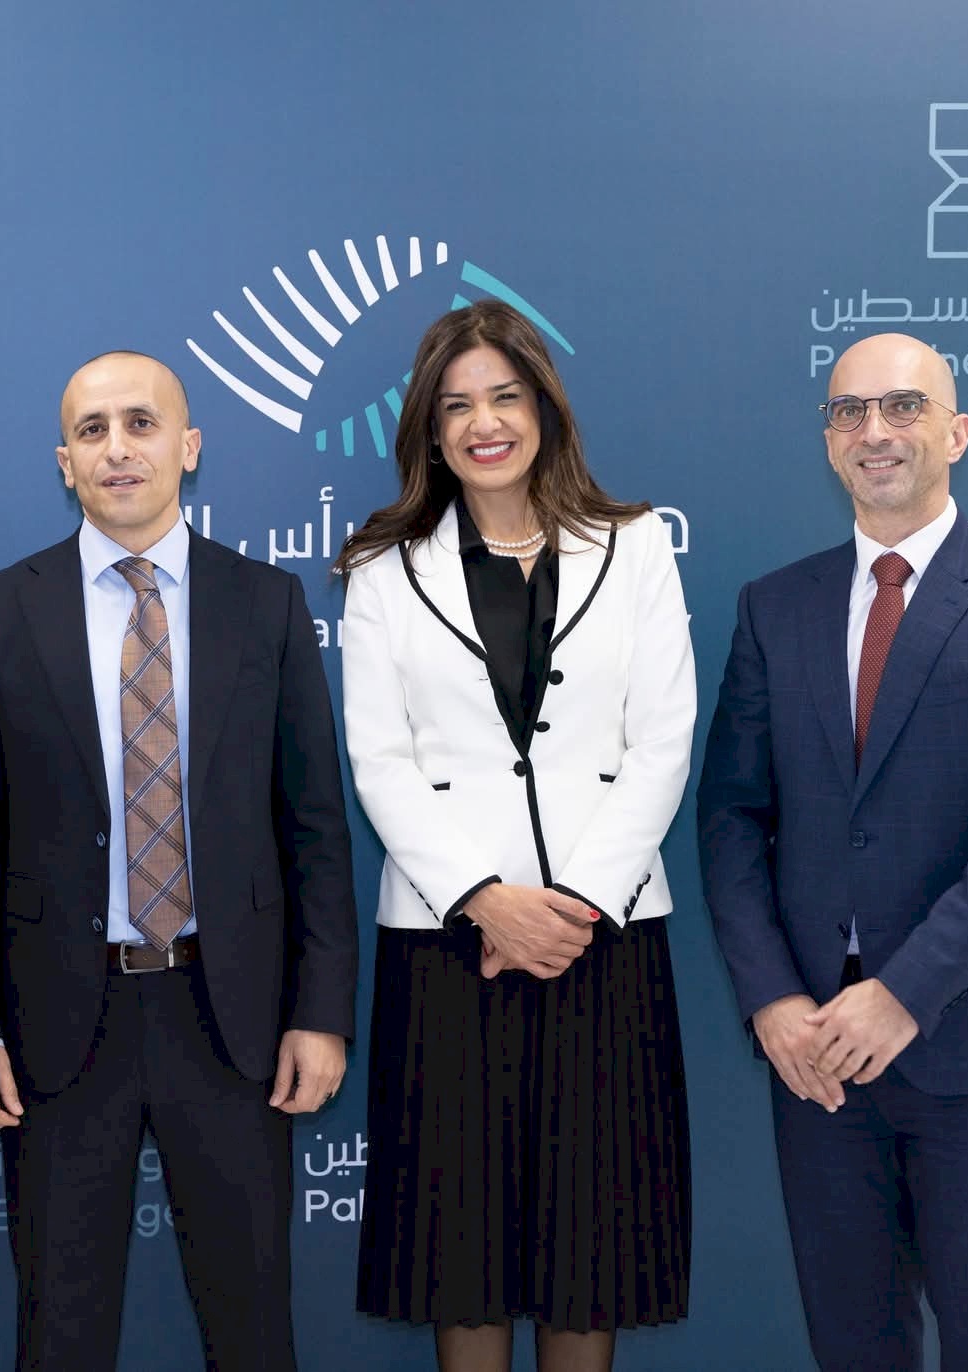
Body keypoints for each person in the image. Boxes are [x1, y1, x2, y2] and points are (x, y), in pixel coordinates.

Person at [0, 350, 358, 1370]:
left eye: (141, 423)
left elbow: (313, 825)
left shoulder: (266, 603)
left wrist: (320, 1012)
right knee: (59, 1332)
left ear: (188, 446)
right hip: (57, 1024)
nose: (117, 448)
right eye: (92, 430)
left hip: (232, 1018)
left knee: (252, 1330)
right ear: (64, 462)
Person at [698, 332, 968, 1372]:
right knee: (852, 1350)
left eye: (901, 406)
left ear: (955, 432)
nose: (872, 430)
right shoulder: (773, 606)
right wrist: (772, 1001)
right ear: (828, 441)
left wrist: (903, 994)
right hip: (818, 1063)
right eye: (848, 411)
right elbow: (732, 815)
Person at [335, 301, 696, 1372]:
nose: (483, 423)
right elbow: (380, 761)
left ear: (543, 406)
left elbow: (662, 741)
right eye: (456, 406)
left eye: (503, 396)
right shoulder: (382, 567)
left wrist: (571, 907)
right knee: (463, 1255)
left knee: (592, 1252)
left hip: (602, 941)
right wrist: (486, 901)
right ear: (429, 429)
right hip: (450, 947)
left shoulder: (634, 545)